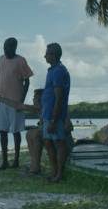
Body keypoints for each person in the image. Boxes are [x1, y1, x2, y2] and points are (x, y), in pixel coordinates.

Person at [0, 37, 34, 170]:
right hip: (2, 101)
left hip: (15, 102)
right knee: (2, 131)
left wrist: (21, 102)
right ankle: (4, 161)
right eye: (4, 47)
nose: (5, 50)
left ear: (14, 47)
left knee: (16, 132)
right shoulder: (1, 59)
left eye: (7, 48)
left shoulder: (20, 61)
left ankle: (16, 160)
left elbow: (27, 81)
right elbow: (0, 79)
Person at [42, 42, 71, 182]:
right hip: (47, 114)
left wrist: (54, 119)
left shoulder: (59, 71)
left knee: (59, 143)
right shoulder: (52, 70)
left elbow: (59, 97)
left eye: (47, 53)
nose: (44, 56)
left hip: (56, 115)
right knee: (48, 142)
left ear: (53, 55)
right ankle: (54, 171)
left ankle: (60, 173)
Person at [25, 89, 73, 175]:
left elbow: (67, 128)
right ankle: (35, 164)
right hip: (53, 141)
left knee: (37, 134)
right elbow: (19, 106)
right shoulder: (41, 110)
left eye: (37, 99)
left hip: (62, 144)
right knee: (30, 133)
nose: (34, 101)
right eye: (34, 98)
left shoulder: (55, 109)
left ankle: (37, 167)